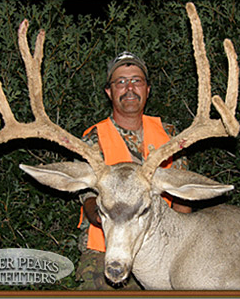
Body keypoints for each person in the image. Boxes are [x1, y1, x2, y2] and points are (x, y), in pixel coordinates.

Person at [75, 52, 191, 290]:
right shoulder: (93, 139)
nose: (129, 88)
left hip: (162, 249)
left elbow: (183, 199)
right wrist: (106, 218)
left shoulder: (168, 135)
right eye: (121, 82)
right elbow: (87, 198)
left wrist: (182, 251)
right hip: (107, 247)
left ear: (147, 89)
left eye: (136, 81)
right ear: (110, 92)